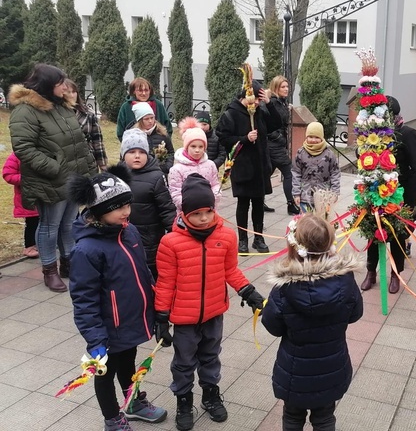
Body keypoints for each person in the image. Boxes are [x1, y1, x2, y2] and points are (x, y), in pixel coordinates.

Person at [154, 173, 265, 431]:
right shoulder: (170, 243)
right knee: (183, 362)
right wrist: (160, 317)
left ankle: (210, 395)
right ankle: (183, 400)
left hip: (214, 312)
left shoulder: (225, 236)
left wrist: (248, 291)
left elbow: (231, 271)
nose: (203, 218)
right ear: (184, 213)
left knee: (211, 356)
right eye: (197, 213)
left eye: (208, 211)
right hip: (183, 318)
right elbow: (165, 282)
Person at [68, 165, 167, 430]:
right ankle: (112, 418)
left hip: (132, 320)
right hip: (108, 329)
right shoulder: (86, 250)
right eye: (118, 207)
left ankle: (133, 401)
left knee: (129, 363)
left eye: (127, 204)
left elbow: (144, 272)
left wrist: (158, 308)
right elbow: (83, 300)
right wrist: (95, 338)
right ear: (99, 211)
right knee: (106, 373)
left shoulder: (129, 231)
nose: (126, 211)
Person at [262, 213, 363, 431]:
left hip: (294, 372)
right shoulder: (346, 282)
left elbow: (273, 326)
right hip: (333, 367)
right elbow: (356, 314)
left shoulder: (283, 289)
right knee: (325, 417)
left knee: (292, 416)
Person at [9, 63, 97, 292]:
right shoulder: (25, 110)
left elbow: (78, 142)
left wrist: (89, 171)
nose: (65, 88)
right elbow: (24, 148)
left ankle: (69, 264)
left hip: (72, 176)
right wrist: (54, 168)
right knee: (49, 225)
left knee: (69, 223)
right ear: (47, 85)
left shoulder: (62, 106)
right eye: (60, 84)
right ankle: (50, 271)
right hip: (50, 179)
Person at [361, 96, 416, 294]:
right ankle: (371, 271)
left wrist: (410, 201)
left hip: (399, 195)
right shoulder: (374, 135)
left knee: (397, 235)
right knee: (373, 232)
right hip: (375, 192)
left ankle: (396, 274)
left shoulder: (407, 133)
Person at [215, 81, 281, 254]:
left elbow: (277, 124)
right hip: (242, 165)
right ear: (244, 97)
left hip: (259, 165)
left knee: (259, 203)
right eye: (254, 100)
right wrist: (244, 138)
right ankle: (243, 239)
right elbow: (223, 137)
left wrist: (269, 103)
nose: (256, 104)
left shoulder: (260, 111)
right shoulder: (231, 113)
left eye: (259, 100)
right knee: (243, 204)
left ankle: (258, 238)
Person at [120, 129, 176, 280]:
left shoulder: (156, 176)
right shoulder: (117, 177)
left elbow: (167, 209)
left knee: (150, 274)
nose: (137, 156)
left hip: (150, 240)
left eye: (141, 152)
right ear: (123, 154)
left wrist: (176, 233)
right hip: (122, 237)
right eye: (131, 151)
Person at [168, 117, 221, 211]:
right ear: (186, 147)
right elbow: (176, 193)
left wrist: (214, 196)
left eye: (201, 146)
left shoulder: (210, 165)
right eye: (193, 146)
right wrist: (189, 205)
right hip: (188, 212)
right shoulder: (177, 169)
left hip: (208, 210)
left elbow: (215, 184)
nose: (197, 150)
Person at [268, 75, 301, 215]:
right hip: (274, 144)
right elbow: (268, 125)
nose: (286, 89)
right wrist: (279, 137)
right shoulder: (273, 103)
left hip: (278, 144)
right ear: (276, 88)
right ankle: (291, 204)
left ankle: (258, 200)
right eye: (283, 87)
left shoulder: (281, 103)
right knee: (289, 172)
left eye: (287, 86)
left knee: (266, 174)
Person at [291, 122, 341, 212]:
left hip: (323, 196)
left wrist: (335, 192)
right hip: (305, 196)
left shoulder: (329, 154)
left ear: (322, 138)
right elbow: (296, 173)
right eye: (310, 137)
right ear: (306, 137)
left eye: (317, 137)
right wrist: (296, 193)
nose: (313, 140)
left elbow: (335, 173)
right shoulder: (301, 153)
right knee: (307, 222)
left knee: (321, 223)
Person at [64, 79, 109, 171]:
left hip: (88, 159)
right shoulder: (56, 115)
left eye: (74, 92)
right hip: (66, 162)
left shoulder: (88, 114)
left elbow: (97, 140)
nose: (72, 95)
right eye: (68, 92)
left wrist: (102, 164)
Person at [2, 152, 40, 258]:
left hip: (47, 196)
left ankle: (43, 244)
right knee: (32, 222)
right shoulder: (17, 156)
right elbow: (8, 174)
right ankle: (30, 246)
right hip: (28, 197)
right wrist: (26, 179)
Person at [130, 102, 175, 175]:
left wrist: (167, 166)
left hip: (161, 172)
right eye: (146, 119)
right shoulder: (134, 136)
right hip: (142, 173)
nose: (150, 121)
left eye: (152, 118)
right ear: (140, 121)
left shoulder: (162, 134)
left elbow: (171, 152)